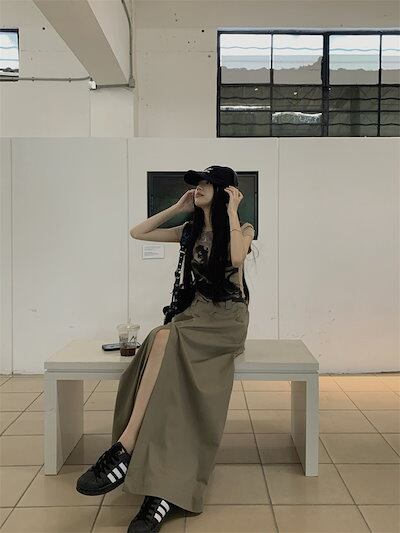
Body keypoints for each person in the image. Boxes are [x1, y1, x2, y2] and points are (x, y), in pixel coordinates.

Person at [75, 165, 255, 532]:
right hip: (195, 315)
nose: (198, 188)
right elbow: (137, 232)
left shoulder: (243, 229)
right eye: (197, 184)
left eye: (206, 184)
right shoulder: (189, 231)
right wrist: (177, 207)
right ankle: (130, 448)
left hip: (227, 321)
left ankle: (126, 448)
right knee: (160, 338)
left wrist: (233, 210)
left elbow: (236, 258)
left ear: (225, 191)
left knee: (163, 338)